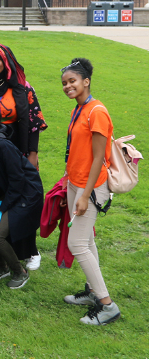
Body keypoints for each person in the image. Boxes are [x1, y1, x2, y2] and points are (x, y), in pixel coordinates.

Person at [0, 43, 47, 270]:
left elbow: (33, 123)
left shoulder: (23, 87)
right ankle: (2, 250)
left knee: (23, 200)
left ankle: (31, 250)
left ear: (7, 62)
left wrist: (32, 154)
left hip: (18, 148)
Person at [59, 58, 120, 325]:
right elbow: (77, 150)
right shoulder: (80, 108)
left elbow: (98, 158)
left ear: (86, 81)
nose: (68, 86)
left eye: (72, 81)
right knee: (87, 241)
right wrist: (69, 178)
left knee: (77, 243)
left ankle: (107, 305)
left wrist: (84, 195)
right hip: (76, 182)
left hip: (91, 188)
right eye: (64, 83)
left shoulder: (97, 111)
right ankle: (94, 292)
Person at [0, 106, 43, 290]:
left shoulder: (2, 145)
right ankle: (2, 267)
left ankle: (19, 272)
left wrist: (4, 206)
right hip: (12, 194)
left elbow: (18, 178)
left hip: (26, 196)